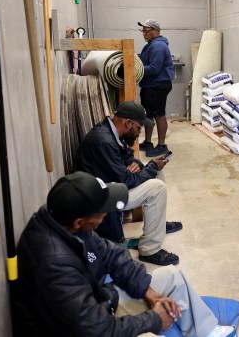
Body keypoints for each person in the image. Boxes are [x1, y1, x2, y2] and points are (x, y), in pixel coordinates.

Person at [12, 171, 237, 337]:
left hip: (99, 301)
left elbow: (111, 255)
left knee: (171, 276)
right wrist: (153, 320)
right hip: (86, 327)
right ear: (80, 221)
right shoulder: (54, 264)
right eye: (102, 213)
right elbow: (96, 330)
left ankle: (207, 331)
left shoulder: (65, 223)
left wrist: (150, 293)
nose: (105, 216)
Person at [74, 100, 183, 266]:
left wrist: (139, 165)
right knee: (157, 187)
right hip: (101, 199)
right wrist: (150, 167)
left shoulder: (112, 132)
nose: (140, 132)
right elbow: (125, 180)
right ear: (128, 123)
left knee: (157, 172)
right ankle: (150, 250)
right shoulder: (104, 141)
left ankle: (157, 226)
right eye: (139, 128)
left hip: (112, 187)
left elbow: (129, 158)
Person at [137, 19, 175, 157]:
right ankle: (148, 142)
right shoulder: (151, 45)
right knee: (149, 115)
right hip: (150, 85)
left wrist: (135, 69)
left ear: (154, 31)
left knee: (159, 114)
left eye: (146, 31)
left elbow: (154, 68)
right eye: (142, 31)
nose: (143, 34)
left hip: (157, 85)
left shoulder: (158, 46)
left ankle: (162, 145)